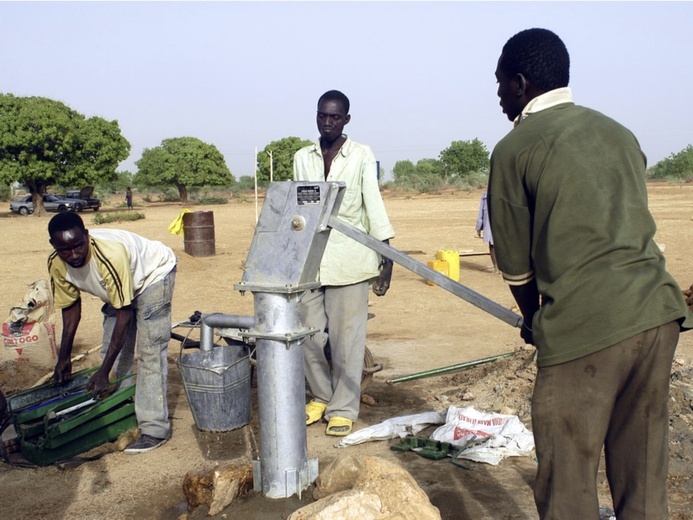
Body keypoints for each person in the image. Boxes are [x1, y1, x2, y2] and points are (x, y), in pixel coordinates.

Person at [488, 28, 693, 519]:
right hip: (657, 315)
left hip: (586, 327)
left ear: (520, 83)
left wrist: (536, 320)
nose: (496, 95)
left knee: (567, 485)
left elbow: (516, 267)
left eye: (499, 84)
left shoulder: (514, 149)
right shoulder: (619, 132)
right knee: (642, 476)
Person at [293, 90, 395, 437]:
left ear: (346, 120)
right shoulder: (302, 157)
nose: (327, 122)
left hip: (350, 261)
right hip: (310, 261)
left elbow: (374, 207)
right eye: (322, 115)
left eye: (335, 117)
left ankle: (343, 407)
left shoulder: (361, 156)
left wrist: (388, 259)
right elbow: (297, 212)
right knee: (307, 335)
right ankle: (321, 395)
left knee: (346, 339)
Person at [47, 212, 177, 454]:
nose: (73, 255)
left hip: (152, 277)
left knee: (149, 352)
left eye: (78, 246)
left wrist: (104, 371)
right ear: (54, 246)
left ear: (87, 236)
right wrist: (63, 358)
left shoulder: (109, 255)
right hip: (118, 291)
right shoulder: (56, 264)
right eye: (65, 250)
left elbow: (124, 314)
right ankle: (122, 413)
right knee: (111, 354)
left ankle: (154, 429)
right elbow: (70, 309)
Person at [475, 191, 498, 273]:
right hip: (489, 225)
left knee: (501, 247)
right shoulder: (485, 195)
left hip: (503, 226)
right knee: (492, 245)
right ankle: (496, 268)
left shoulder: (507, 193)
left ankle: (502, 268)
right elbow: (481, 213)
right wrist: (479, 227)